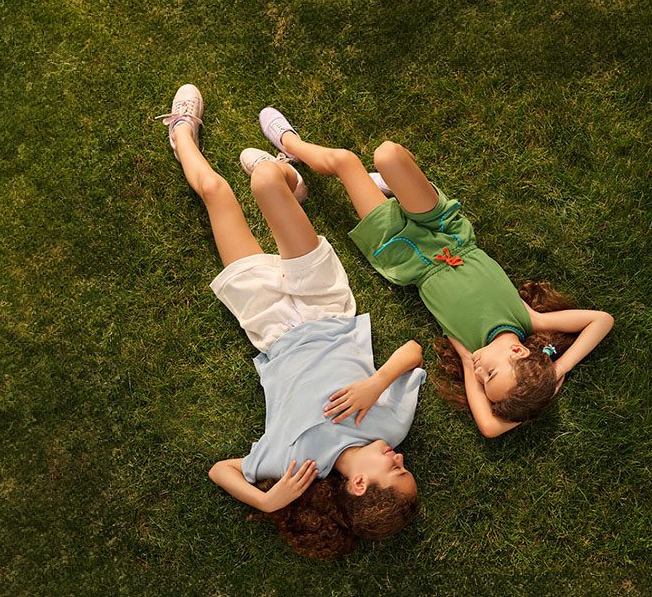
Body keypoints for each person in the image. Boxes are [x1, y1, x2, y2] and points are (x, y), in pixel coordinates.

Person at [154, 85, 423, 559]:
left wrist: (265, 497)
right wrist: (375, 384)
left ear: (360, 484)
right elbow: (414, 352)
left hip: (269, 324)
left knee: (217, 191)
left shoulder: (293, 465)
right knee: (262, 181)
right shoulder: (392, 427)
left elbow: (222, 469)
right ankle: (287, 178)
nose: (400, 457)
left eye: (396, 469)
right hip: (326, 307)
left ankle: (181, 135)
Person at [253, 106, 614, 437]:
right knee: (388, 153)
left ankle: (290, 147)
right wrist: (557, 370)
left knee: (346, 162)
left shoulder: (467, 347)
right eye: (490, 373)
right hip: (446, 231)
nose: (477, 373)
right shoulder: (529, 319)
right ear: (519, 352)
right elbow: (602, 320)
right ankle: (385, 184)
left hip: (406, 253)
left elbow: (489, 427)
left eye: (482, 383)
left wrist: (524, 400)